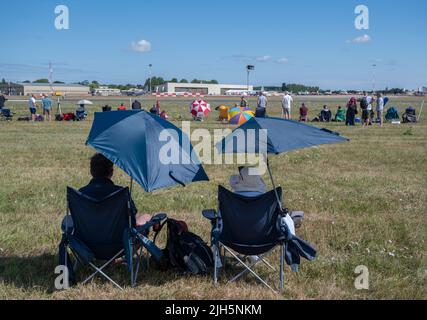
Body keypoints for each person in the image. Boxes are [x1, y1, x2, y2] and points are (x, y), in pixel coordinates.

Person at [79, 153, 151, 227]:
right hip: (118, 238)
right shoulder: (121, 193)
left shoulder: (79, 194)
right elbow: (131, 218)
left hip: (85, 237)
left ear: (91, 171)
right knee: (146, 217)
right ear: (111, 172)